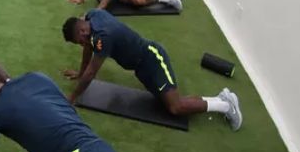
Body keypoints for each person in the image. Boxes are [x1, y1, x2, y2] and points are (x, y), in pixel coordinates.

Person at [61, 10, 243, 129]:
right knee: (168, 103)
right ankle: (220, 98)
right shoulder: (92, 17)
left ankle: (226, 105)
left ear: (82, 32)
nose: (82, 45)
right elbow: (88, 49)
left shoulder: (103, 36)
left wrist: (71, 98)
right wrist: (80, 72)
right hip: (142, 68)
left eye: (79, 41)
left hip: (153, 59)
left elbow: (92, 72)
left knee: (175, 107)